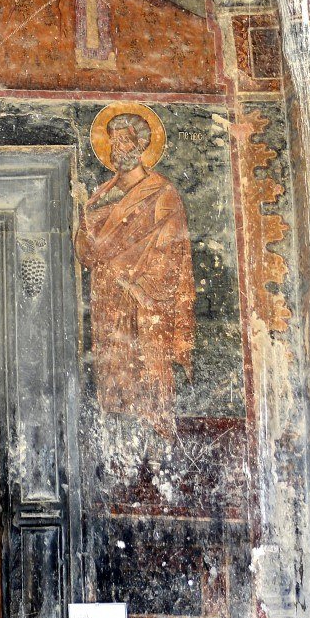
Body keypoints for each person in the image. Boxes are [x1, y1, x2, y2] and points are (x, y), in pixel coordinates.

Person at [75, 106, 195, 439]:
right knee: (114, 387)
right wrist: (86, 230)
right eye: (112, 142)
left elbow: (173, 256)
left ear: (141, 146)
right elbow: (87, 253)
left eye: (124, 142)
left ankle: (154, 443)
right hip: (107, 304)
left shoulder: (162, 193)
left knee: (147, 384)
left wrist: (135, 282)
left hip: (143, 304)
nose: (116, 150)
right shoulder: (102, 193)